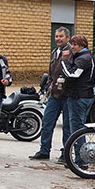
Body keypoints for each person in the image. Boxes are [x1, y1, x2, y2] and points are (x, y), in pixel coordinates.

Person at [29, 27, 72, 161]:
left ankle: (66, 153)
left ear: (68, 38)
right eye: (57, 36)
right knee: (47, 123)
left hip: (67, 95)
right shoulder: (54, 52)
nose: (58, 39)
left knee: (67, 126)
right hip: (54, 95)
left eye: (61, 36)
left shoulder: (71, 52)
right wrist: (48, 88)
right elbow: (51, 73)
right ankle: (44, 150)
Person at [61, 34, 95, 169]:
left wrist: (64, 61)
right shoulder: (88, 57)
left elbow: (72, 75)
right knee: (78, 128)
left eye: (75, 44)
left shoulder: (83, 59)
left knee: (77, 130)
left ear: (82, 45)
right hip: (85, 96)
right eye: (72, 44)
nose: (72, 47)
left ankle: (81, 161)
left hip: (79, 97)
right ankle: (79, 159)